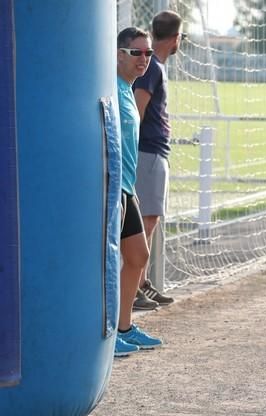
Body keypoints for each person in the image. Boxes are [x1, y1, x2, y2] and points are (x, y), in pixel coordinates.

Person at [115, 27, 164, 356]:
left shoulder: (129, 92)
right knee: (106, 263)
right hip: (111, 186)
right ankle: (107, 338)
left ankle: (125, 327)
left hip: (126, 187)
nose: (144, 59)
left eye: (148, 53)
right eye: (137, 53)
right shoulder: (111, 91)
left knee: (138, 256)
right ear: (119, 54)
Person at [132, 10, 186, 309]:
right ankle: (136, 287)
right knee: (144, 223)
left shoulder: (155, 65)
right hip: (147, 151)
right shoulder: (152, 66)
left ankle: (141, 283)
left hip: (155, 152)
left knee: (149, 221)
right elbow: (137, 109)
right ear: (176, 38)